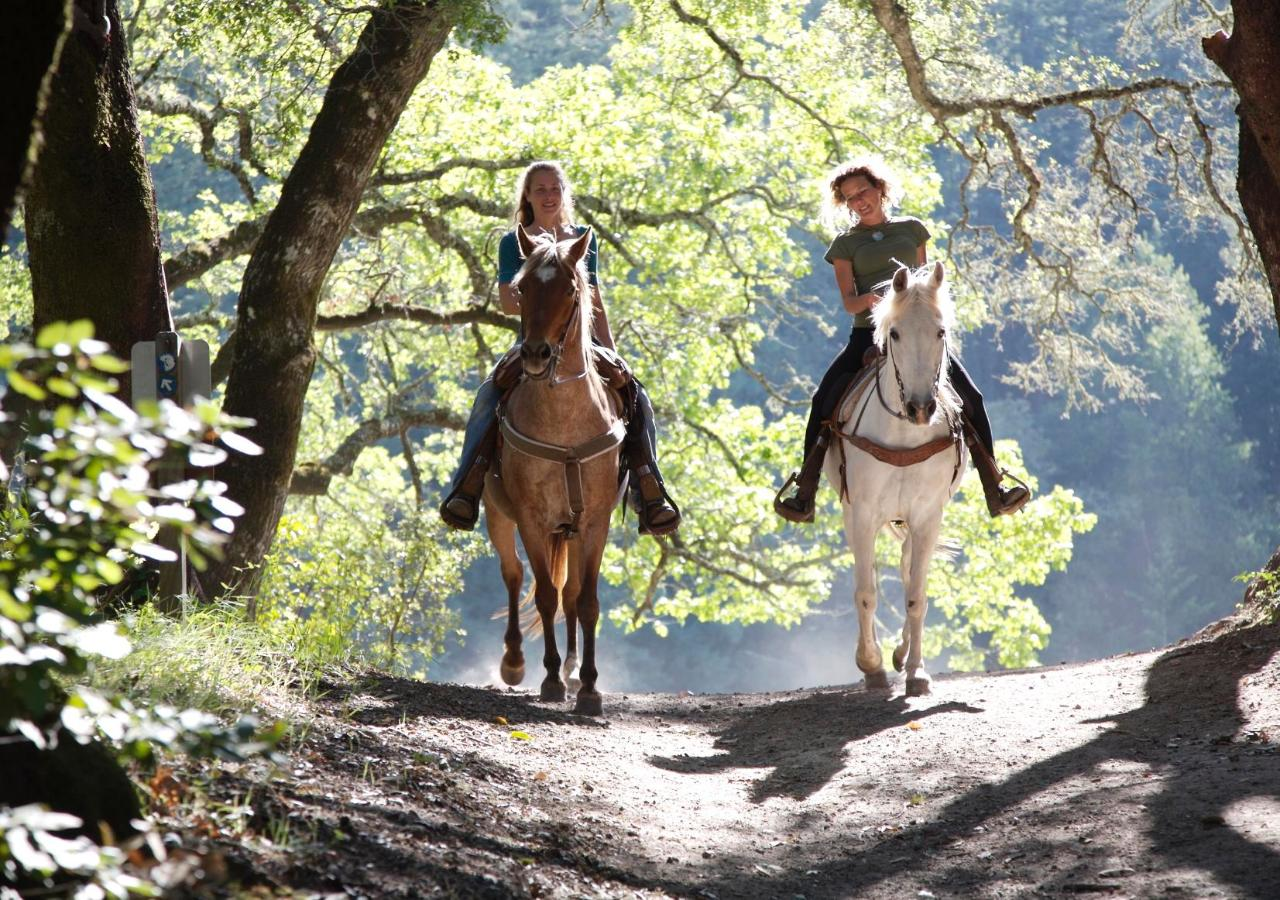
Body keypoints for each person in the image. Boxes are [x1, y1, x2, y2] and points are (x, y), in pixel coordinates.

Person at [774, 157, 1029, 522]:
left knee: (972, 396)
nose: (858, 201)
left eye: (863, 191)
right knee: (823, 399)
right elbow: (849, 303)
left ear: (880, 189)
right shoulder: (845, 244)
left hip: (916, 334)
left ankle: (995, 484)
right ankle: (806, 488)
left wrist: (913, 305)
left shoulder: (912, 230)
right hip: (869, 336)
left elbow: (925, 286)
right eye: (849, 198)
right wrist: (883, 300)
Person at [440, 161, 681, 535]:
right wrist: (543, 293)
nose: (549, 196)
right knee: (488, 394)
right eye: (541, 189)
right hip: (534, 340)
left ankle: (648, 489)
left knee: (638, 397)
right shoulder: (514, 242)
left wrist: (613, 351)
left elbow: (595, 300)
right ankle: (466, 487)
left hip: (583, 342)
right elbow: (507, 303)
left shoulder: (584, 238)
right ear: (528, 196)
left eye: (555, 188)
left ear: (564, 193)